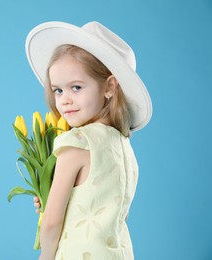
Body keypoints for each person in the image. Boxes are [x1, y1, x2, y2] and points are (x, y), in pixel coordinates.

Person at [25, 21, 152, 260]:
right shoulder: (123, 146)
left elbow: (52, 222)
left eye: (76, 87)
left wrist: (46, 255)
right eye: (58, 90)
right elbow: (111, 213)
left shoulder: (76, 142)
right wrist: (47, 195)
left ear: (109, 87)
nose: (64, 101)